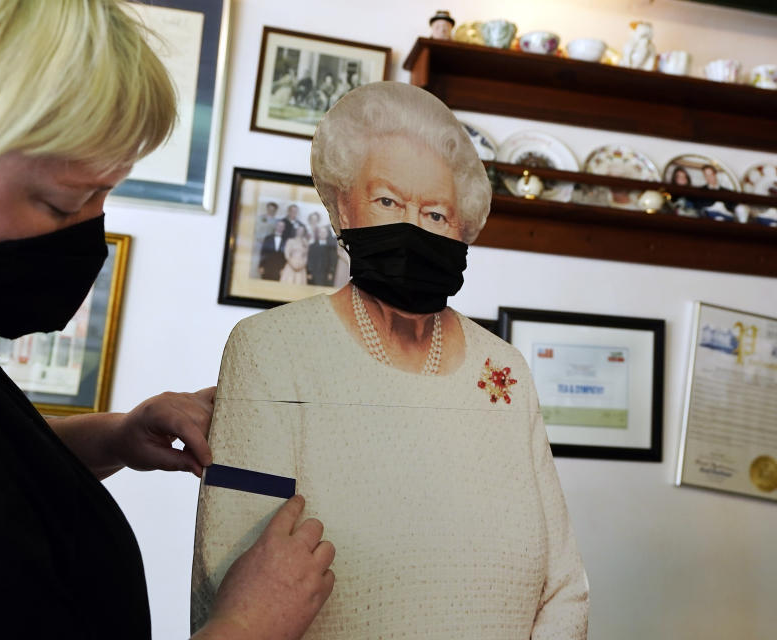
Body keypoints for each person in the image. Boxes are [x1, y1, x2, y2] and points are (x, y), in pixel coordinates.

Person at [0, 2, 334, 638]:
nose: (87, 228)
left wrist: (111, 437)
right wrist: (252, 621)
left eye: (105, 193)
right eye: (63, 200)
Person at [192, 82, 589, 638]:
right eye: (388, 202)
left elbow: (565, 586)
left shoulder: (505, 373)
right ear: (341, 206)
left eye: (435, 213)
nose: (413, 228)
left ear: (464, 230)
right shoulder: (271, 351)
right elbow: (226, 580)